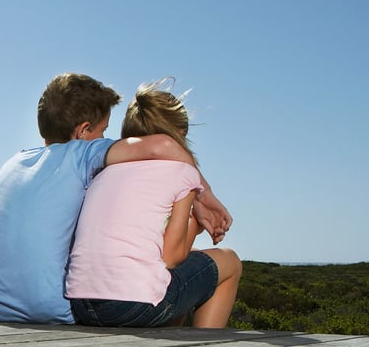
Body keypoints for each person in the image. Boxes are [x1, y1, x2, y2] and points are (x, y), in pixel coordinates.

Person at [0, 72, 233, 324]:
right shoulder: (83, 156)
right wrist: (203, 194)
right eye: (103, 130)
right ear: (83, 131)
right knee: (198, 267)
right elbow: (165, 146)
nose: (105, 138)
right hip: (57, 309)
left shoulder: (12, 164)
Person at [65, 80, 242, 328]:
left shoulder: (103, 171)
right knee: (230, 260)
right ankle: (206, 345)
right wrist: (195, 225)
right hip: (132, 306)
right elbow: (171, 258)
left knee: (174, 277)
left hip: (81, 305)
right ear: (180, 133)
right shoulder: (182, 173)